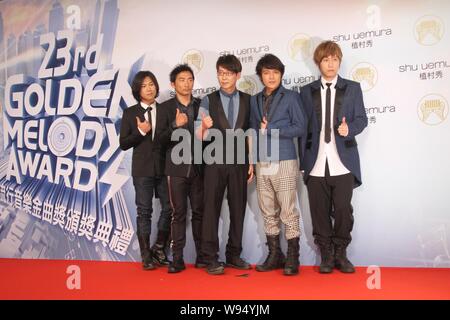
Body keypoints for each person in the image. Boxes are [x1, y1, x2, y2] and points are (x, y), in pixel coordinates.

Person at [300, 41, 368, 273]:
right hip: (315, 160)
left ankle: (341, 252)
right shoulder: (306, 91)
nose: (330, 64)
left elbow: (361, 119)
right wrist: (303, 162)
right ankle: (326, 254)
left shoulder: (353, 88)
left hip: (343, 159)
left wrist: (349, 130)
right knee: (318, 211)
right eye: (325, 60)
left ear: (339, 61)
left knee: (342, 209)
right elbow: (302, 128)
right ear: (318, 63)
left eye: (334, 59)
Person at [249, 54, 306, 276]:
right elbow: (253, 132)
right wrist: (252, 161)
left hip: (284, 159)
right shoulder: (254, 100)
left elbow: (300, 127)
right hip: (263, 161)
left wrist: (274, 129)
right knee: (267, 210)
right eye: (266, 72)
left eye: (275, 72)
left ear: (281, 74)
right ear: (260, 75)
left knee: (288, 210)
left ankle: (293, 257)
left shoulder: (291, 97)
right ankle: (275, 255)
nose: (270, 77)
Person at [196, 54, 253, 275]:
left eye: (228, 73)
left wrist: (251, 162)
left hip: (239, 162)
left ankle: (234, 255)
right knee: (211, 208)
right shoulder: (208, 100)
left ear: (237, 75)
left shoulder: (248, 100)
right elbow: (199, 136)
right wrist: (204, 127)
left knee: (238, 209)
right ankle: (210, 257)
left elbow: (250, 134)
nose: (224, 77)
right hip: (214, 161)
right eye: (220, 73)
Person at [119, 71, 172, 270]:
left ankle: (159, 247)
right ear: (137, 90)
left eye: (152, 84)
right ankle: (145, 256)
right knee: (144, 212)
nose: (149, 88)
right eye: (144, 85)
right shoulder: (130, 113)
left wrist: (175, 126)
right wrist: (141, 131)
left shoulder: (166, 110)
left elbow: (169, 138)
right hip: (142, 170)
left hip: (164, 168)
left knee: (169, 208)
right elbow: (123, 144)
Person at [157, 64, 205, 273]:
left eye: (190, 79)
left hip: (199, 168)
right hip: (176, 169)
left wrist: (207, 131)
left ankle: (203, 257)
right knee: (178, 214)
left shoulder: (202, 105)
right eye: (182, 79)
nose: (187, 83)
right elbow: (158, 140)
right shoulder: (165, 108)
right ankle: (177, 259)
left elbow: (209, 140)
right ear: (173, 84)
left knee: (200, 213)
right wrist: (175, 125)